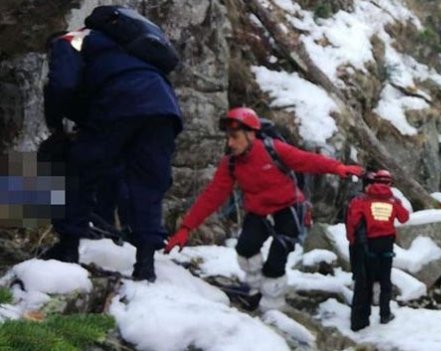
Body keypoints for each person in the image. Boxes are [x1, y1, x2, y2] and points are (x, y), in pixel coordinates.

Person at [164, 107, 363, 311]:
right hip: (259, 212)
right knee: (245, 249)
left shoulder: (273, 150)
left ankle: (272, 304)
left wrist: (338, 168)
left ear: (251, 134)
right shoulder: (231, 164)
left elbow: (307, 160)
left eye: (235, 137)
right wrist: (186, 228)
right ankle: (255, 289)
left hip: (288, 209)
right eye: (228, 138)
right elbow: (212, 196)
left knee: (277, 258)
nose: (230, 143)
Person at [42, 14, 182, 283]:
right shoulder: (127, 46)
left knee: (79, 170)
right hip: (164, 110)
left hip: (120, 101)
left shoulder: (71, 39)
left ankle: (68, 247)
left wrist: (56, 122)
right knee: (148, 183)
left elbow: (64, 83)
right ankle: (145, 264)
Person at [346, 170, 409, 331]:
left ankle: (362, 317)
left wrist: (353, 242)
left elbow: (353, 221)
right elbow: (404, 218)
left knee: (365, 281)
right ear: (390, 183)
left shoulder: (363, 200)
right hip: (386, 244)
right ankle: (384, 314)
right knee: (385, 280)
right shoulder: (393, 201)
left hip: (368, 244)